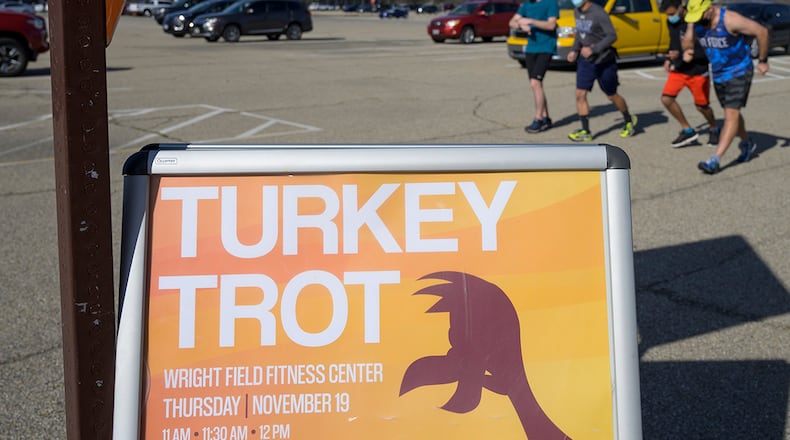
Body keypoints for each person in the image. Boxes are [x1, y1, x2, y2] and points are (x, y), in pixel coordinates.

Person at [683, 0, 769, 174]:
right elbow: (687, 45)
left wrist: (762, 60)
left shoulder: (730, 19)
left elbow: (762, 31)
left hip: (739, 71)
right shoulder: (697, 22)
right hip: (718, 73)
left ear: (709, 9)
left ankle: (715, 159)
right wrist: (691, 28)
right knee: (732, 113)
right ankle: (747, 143)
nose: (698, 20)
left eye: (700, 15)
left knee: (731, 114)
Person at [566, 0, 637, 142]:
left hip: (603, 60)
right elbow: (580, 34)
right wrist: (574, 50)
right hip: (586, 61)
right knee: (580, 94)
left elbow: (612, 36)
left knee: (611, 95)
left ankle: (628, 119)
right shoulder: (577, 11)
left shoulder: (599, 13)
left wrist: (594, 49)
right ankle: (586, 131)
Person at [660, 0, 719, 148]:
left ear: (681, 7)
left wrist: (682, 54)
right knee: (667, 99)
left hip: (698, 71)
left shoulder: (700, 22)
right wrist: (669, 58)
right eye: (667, 15)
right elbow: (673, 42)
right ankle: (688, 130)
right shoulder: (672, 23)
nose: (670, 17)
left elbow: (706, 49)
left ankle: (714, 128)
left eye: (672, 14)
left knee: (702, 106)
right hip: (679, 69)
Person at [509, 0, 559, 133]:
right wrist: (520, 24)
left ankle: (538, 119)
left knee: (535, 83)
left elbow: (551, 25)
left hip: (546, 47)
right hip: (531, 48)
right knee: (537, 85)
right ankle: (546, 118)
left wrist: (531, 21)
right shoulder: (526, 5)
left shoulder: (550, 3)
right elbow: (512, 22)